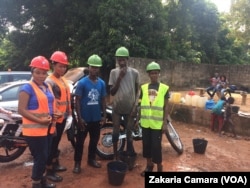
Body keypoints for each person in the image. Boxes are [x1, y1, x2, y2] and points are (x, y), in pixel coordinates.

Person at [18, 56, 62, 188]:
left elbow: (48, 104)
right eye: (38, 72)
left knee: (46, 155)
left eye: (44, 73)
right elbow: (21, 110)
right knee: (40, 158)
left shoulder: (46, 86)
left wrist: (55, 112)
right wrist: (40, 120)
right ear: (32, 71)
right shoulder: (27, 88)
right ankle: (36, 183)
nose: (41, 76)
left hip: (47, 129)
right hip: (34, 131)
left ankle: (43, 181)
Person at [72, 54, 107, 174]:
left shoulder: (101, 83)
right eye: (93, 67)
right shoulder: (82, 83)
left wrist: (104, 115)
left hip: (96, 118)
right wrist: (79, 118)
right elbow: (77, 101)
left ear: (99, 69)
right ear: (89, 67)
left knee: (94, 140)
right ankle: (77, 163)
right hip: (84, 119)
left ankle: (91, 159)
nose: (94, 69)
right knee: (80, 142)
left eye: (97, 67)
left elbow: (103, 99)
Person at [138, 61, 170, 177]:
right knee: (146, 145)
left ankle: (159, 167)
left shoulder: (164, 88)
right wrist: (137, 119)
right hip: (145, 122)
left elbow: (166, 106)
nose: (154, 75)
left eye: (156, 73)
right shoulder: (143, 87)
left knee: (156, 146)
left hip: (157, 124)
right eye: (152, 73)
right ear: (148, 75)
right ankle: (149, 165)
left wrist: (165, 123)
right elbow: (141, 104)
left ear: (159, 74)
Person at [45, 51, 72, 182]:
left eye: (64, 66)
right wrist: (54, 120)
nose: (63, 69)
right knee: (52, 145)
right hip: (54, 120)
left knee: (56, 144)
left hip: (63, 117)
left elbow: (66, 99)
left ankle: (55, 164)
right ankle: (49, 170)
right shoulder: (50, 81)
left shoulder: (62, 79)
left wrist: (70, 114)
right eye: (60, 66)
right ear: (53, 65)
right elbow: (50, 102)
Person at [109, 46, 140, 161]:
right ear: (117, 60)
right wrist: (120, 78)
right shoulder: (113, 72)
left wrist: (135, 106)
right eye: (119, 59)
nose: (121, 62)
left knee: (129, 132)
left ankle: (129, 154)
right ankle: (115, 155)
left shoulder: (135, 73)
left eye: (123, 59)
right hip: (117, 107)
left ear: (128, 59)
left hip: (130, 108)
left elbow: (138, 90)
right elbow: (112, 92)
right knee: (116, 131)